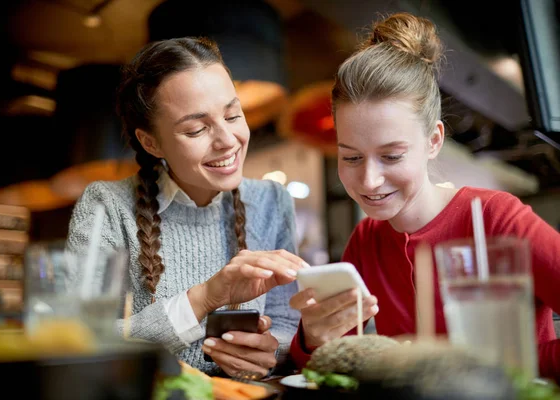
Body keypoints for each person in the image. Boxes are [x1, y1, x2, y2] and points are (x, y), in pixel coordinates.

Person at [289, 12, 560, 381]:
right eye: (350, 157)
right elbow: (335, 369)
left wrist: (497, 364)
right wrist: (313, 338)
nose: (368, 181)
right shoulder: (366, 242)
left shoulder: (497, 218)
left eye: (392, 156)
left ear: (433, 140)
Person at [66, 37, 307, 376]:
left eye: (233, 115)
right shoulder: (107, 205)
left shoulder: (271, 200)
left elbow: (286, 321)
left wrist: (271, 351)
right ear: (151, 142)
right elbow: (80, 338)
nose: (227, 140)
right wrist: (204, 298)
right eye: (196, 129)